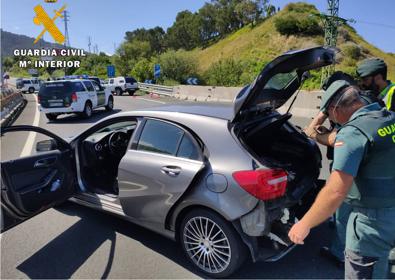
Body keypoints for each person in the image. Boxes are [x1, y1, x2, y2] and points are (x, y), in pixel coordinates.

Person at [289, 81, 395, 279]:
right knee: (379, 268)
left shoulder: (353, 133)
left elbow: (336, 192)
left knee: (364, 271)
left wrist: (304, 224)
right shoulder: (388, 118)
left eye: (329, 115)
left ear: (334, 109)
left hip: (371, 224)